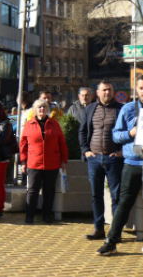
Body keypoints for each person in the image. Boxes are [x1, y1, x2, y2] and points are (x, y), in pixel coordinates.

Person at [96, 76, 143, 256]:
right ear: (136, 89)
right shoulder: (128, 109)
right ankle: (111, 242)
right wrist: (131, 132)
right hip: (132, 163)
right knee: (123, 204)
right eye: (141, 88)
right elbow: (115, 135)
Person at [78, 81, 123, 240]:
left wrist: (121, 152)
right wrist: (85, 151)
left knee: (116, 196)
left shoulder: (120, 109)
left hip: (113, 159)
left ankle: (115, 233)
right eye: (103, 90)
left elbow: (127, 132)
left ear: (113, 91)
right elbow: (82, 132)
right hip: (94, 159)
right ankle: (98, 228)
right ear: (97, 93)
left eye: (109, 89)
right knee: (96, 195)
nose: (107, 92)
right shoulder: (90, 109)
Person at [20, 99, 68, 224]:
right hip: (34, 163)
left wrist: (64, 160)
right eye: (39, 107)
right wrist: (23, 161)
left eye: (44, 107)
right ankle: (29, 215)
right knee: (32, 190)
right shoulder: (29, 124)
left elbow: (62, 143)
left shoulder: (54, 124)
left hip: (51, 163)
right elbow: (23, 145)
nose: (42, 110)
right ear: (35, 110)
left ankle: (46, 215)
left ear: (48, 110)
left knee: (49, 190)